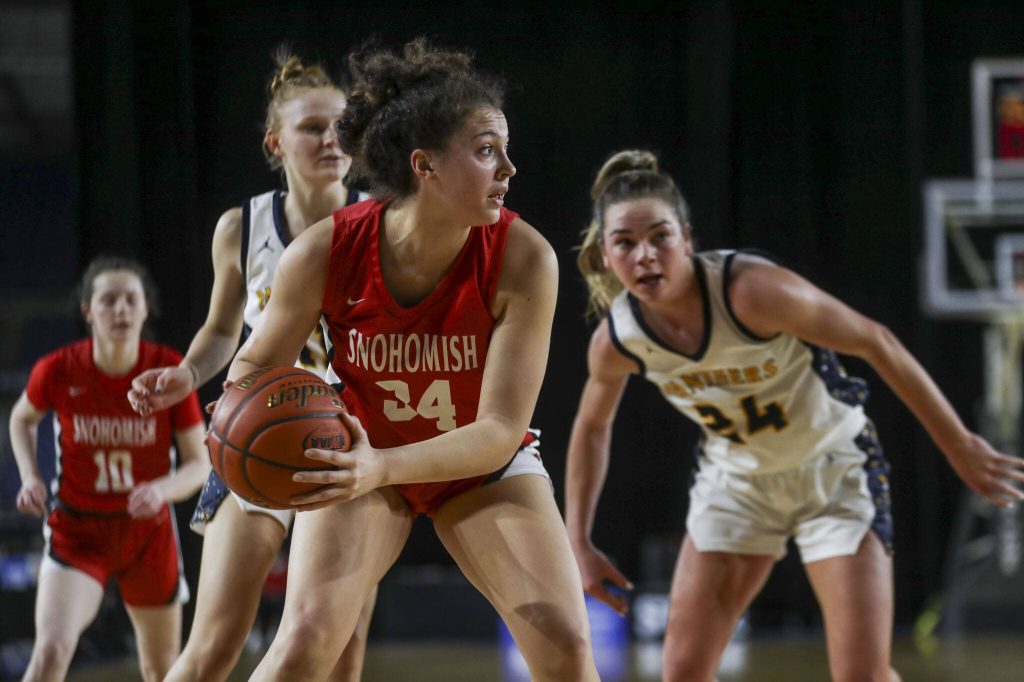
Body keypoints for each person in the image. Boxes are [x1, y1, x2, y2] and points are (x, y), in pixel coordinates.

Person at [564, 149, 1024, 682]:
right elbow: (592, 427)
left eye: (659, 236)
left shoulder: (749, 291)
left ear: (687, 238)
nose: (644, 255)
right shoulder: (617, 340)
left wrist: (958, 443)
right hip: (736, 485)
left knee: (862, 676)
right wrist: (578, 539)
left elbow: (875, 340)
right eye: (625, 242)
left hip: (832, 468)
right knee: (683, 672)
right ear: (604, 256)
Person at [219, 38, 597, 681]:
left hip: (475, 463)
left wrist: (381, 466)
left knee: (563, 642)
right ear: (425, 166)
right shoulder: (324, 252)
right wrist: (239, 420)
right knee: (305, 642)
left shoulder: (524, 258)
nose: (509, 168)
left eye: (504, 149)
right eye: (486, 150)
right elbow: (251, 366)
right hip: (359, 450)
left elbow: (500, 431)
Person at [126, 50, 376, 681]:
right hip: (258, 432)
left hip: (350, 443)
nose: (330, 139)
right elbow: (220, 328)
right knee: (212, 648)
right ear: (275, 142)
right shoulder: (242, 226)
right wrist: (187, 372)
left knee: (338, 657)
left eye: (340, 126)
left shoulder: (384, 220)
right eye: (311, 127)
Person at [9, 256, 208, 682]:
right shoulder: (59, 369)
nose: (120, 309)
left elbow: (198, 465)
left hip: (147, 533)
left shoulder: (167, 370)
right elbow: (21, 418)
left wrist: (162, 489)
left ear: (144, 308)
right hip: (79, 531)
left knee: (162, 670)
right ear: (88, 311)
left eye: (130, 299)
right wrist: (30, 475)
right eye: (108, 300)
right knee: (49, 655)